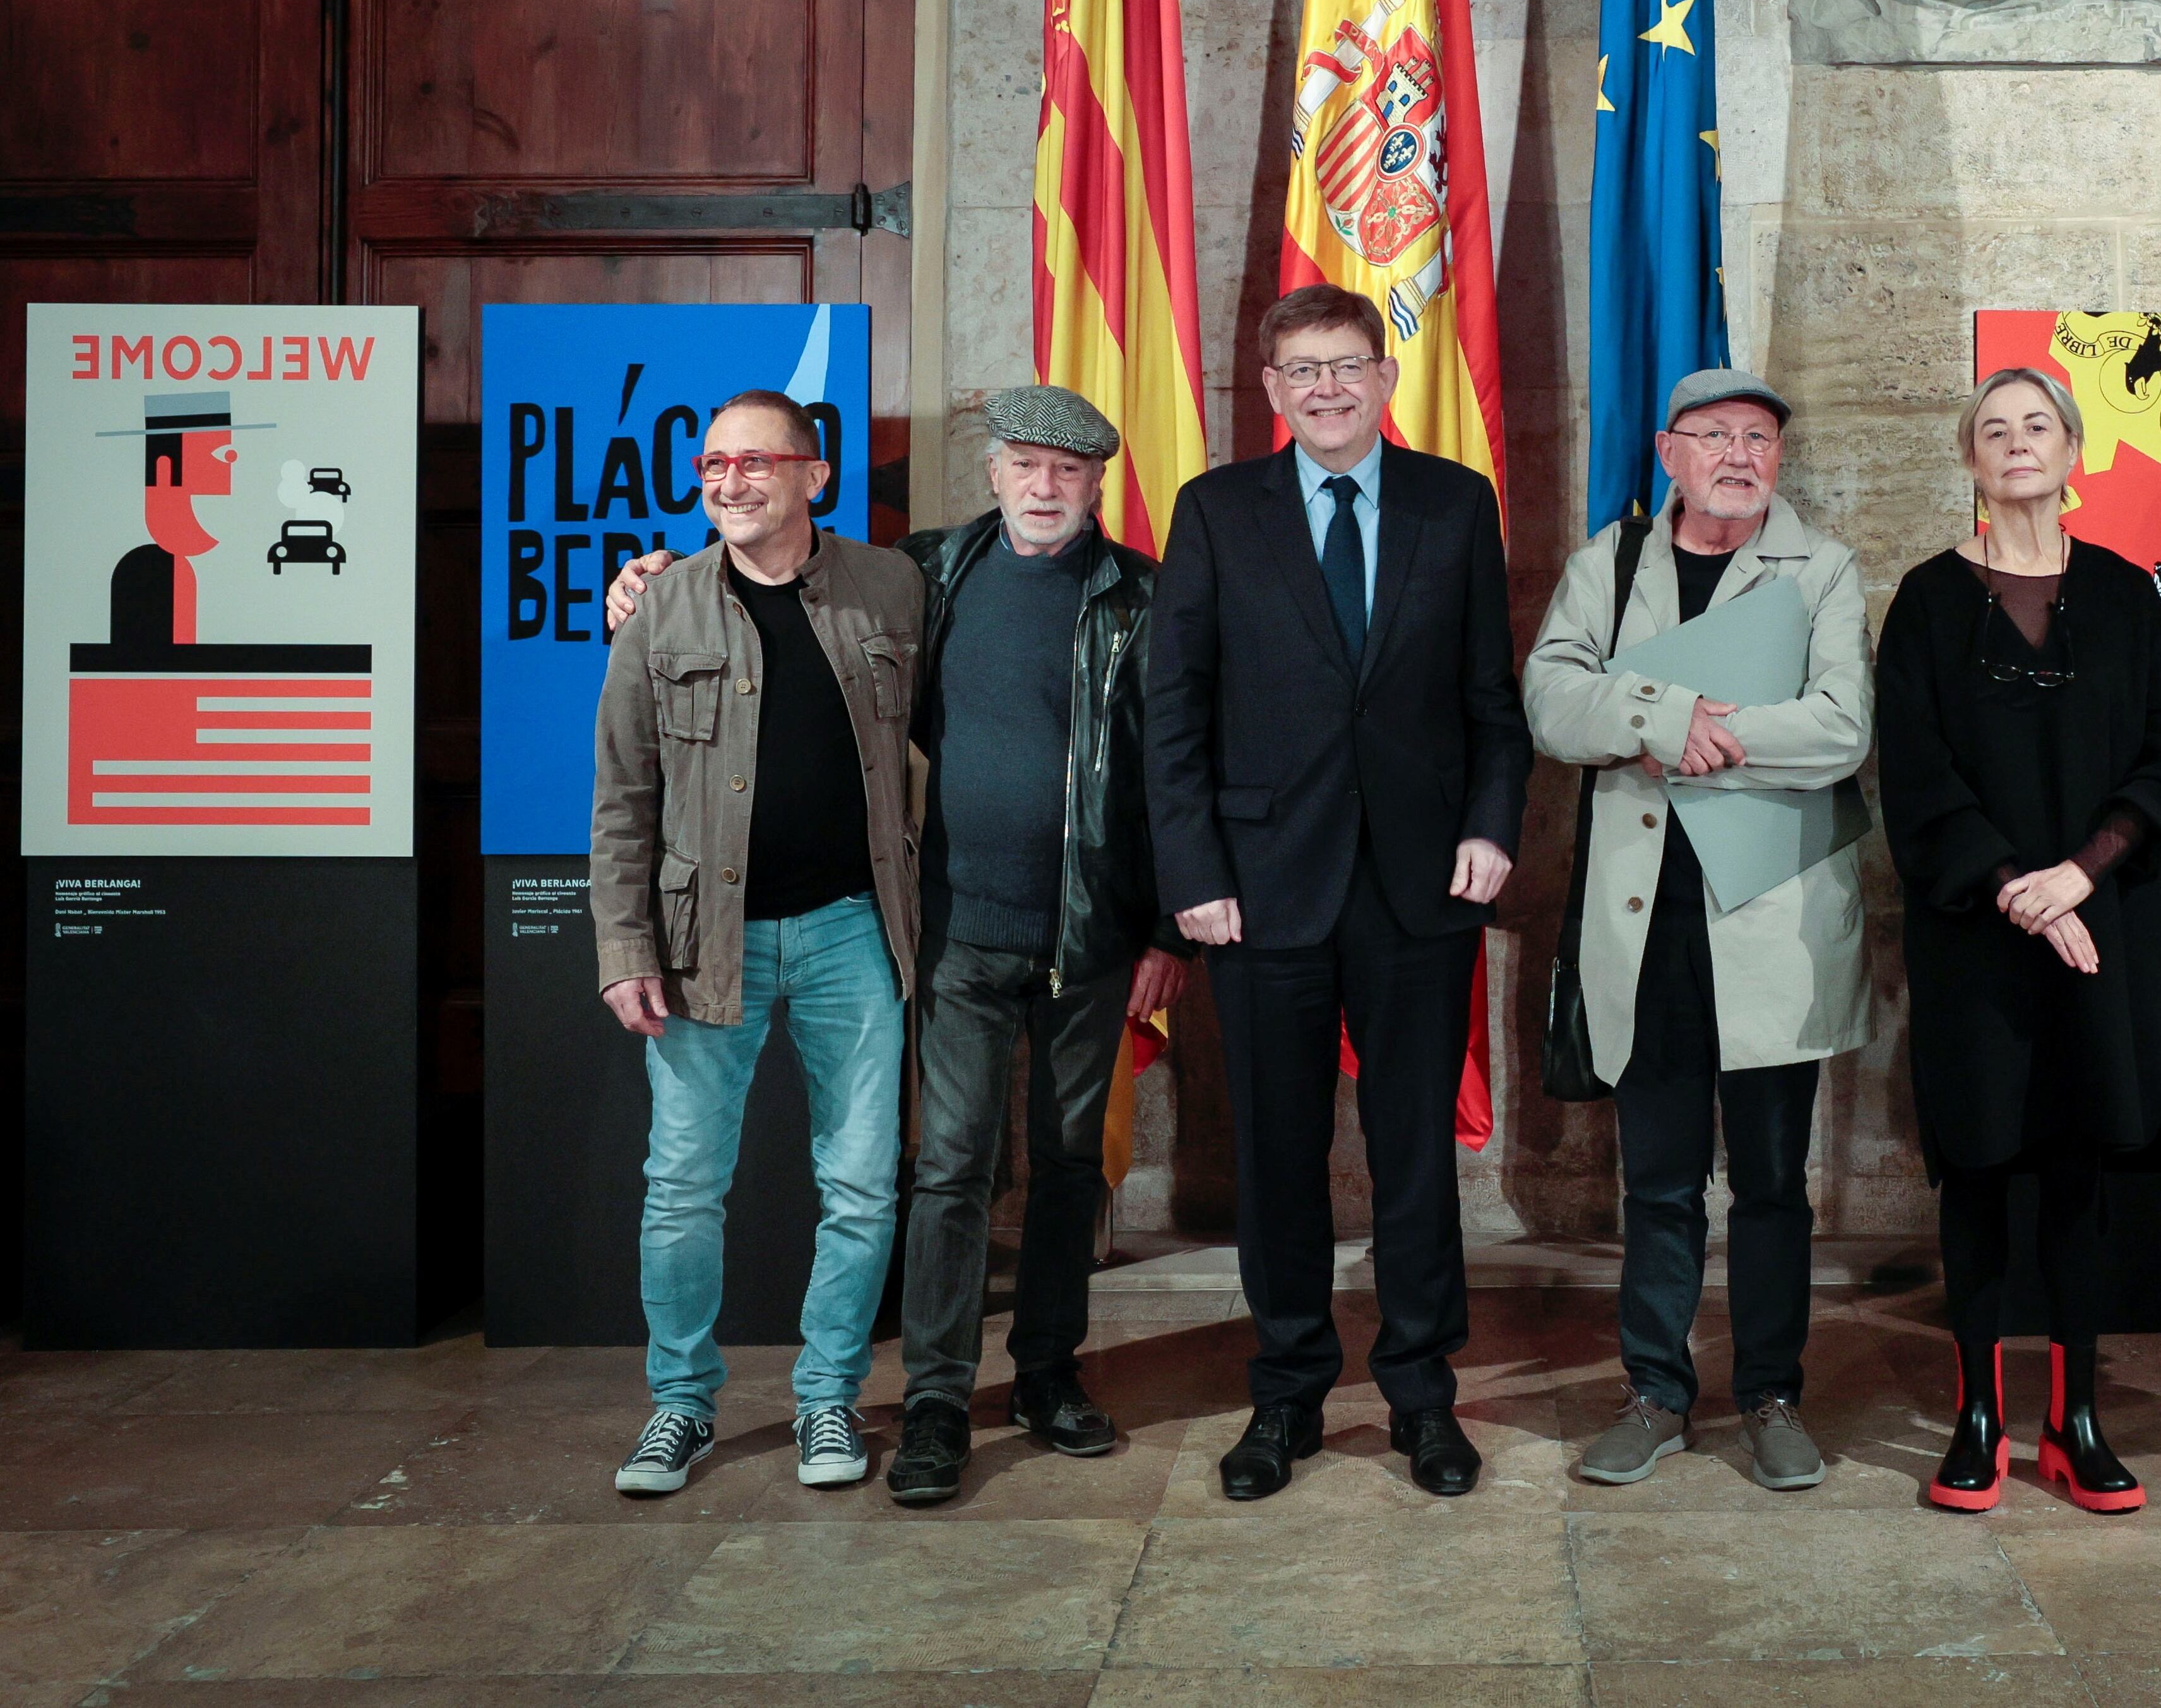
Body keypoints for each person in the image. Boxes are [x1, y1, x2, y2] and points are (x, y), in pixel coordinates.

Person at [602, 385, 1193, 1506]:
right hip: (948, 930)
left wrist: (1167, 927)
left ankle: (1037, 1379)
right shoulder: (930, 575)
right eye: (1025, 465)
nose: (1044, 487)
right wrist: (648, 578)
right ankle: (924, 1398)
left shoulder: (1133, 598)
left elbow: (1173, 769)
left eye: (1067, 471)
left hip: (1070, 934)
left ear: (1099, 484)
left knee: (1059, 1169)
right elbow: (747, 589)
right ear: (993, 476)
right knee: (939, 1170)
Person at [1144, 282, 1532, 1502]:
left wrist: (1491, 826)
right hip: (1260, 894)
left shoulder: (1455, 506)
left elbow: (1492, 701)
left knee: (1415, 1156)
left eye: (1347, 365)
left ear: (1383, 375)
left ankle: (1424, 1396)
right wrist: (1193, 875)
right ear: (1270, 389)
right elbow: (1174, 716)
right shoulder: (1214, 512)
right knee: (1277, 1155)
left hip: (1420, 888)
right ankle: (1287, 1395)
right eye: (1301, 369)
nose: (1325, 386)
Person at [1874, 366, 2161, 1514]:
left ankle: (2075, 1421)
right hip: (1977, 937)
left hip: (2101, 927)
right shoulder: (1926, 601)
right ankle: (1978, 1416)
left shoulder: (2125, 594)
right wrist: (2018, 885)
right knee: (1977, 1169)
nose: (2016, 443)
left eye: (2037, 426)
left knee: (2079, 1172)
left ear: (2073, 449)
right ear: (1969, 459)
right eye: (1993, 429)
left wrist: (2081, 872)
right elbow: (1916, 773)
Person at [1521, 368, 1874, 1493]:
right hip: (1649, 926)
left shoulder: (1821, 570)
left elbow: (1841, 729)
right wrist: (1672, 715)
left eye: (1759, 437)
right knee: (1660, 1179)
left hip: (1772, 921)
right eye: (1714, 434)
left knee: (1772, 1180)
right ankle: (1656, 1393)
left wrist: (1691, 733)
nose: (1739, 453)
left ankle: (1770, 1393)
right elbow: (1551, 701)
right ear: (1668, 452)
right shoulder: (1610, 565)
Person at [590, 389, 927, 1496]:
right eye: (712, 466)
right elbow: (622, 796)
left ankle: (828, 1400)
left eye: (755, 463)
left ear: (815, 476)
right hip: (700, 944)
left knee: (864, 1184)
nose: (729, 483)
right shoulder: (659, 606)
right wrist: (622, 944)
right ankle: (680, 1406)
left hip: (853, 933)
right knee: (683, 1185)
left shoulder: (892, 585)